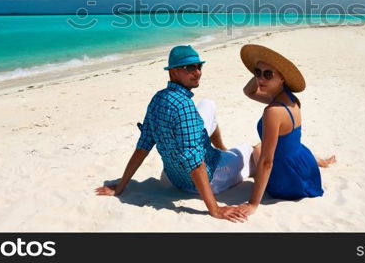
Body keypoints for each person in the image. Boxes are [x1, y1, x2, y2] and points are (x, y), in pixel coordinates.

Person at [95, 45, 253, 222]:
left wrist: (121, 187)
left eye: (199, 66)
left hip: (173, 177)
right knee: (251, 151)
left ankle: (222, 148)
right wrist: (214, 209)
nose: (198, 72)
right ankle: (225, 154)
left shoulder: (158, 98)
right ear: (173, 72)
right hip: (208, 179)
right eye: (190, 68)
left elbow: (143, 146)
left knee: (208, 104)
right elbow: (195, 163)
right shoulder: (184, 107)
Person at [237, 44, 335, 216]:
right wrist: (262, 73)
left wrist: (253, 204)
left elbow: (267, 163)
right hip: (305, 166)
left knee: (257, 150)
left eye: (268, 74)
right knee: (273, 143)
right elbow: (248, 91)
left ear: (282, 78)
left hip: (288, 179)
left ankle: (318, 160)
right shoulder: (290, 99)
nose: (261, 79)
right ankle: (319, 160)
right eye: (257, 73)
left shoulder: (273, 111)